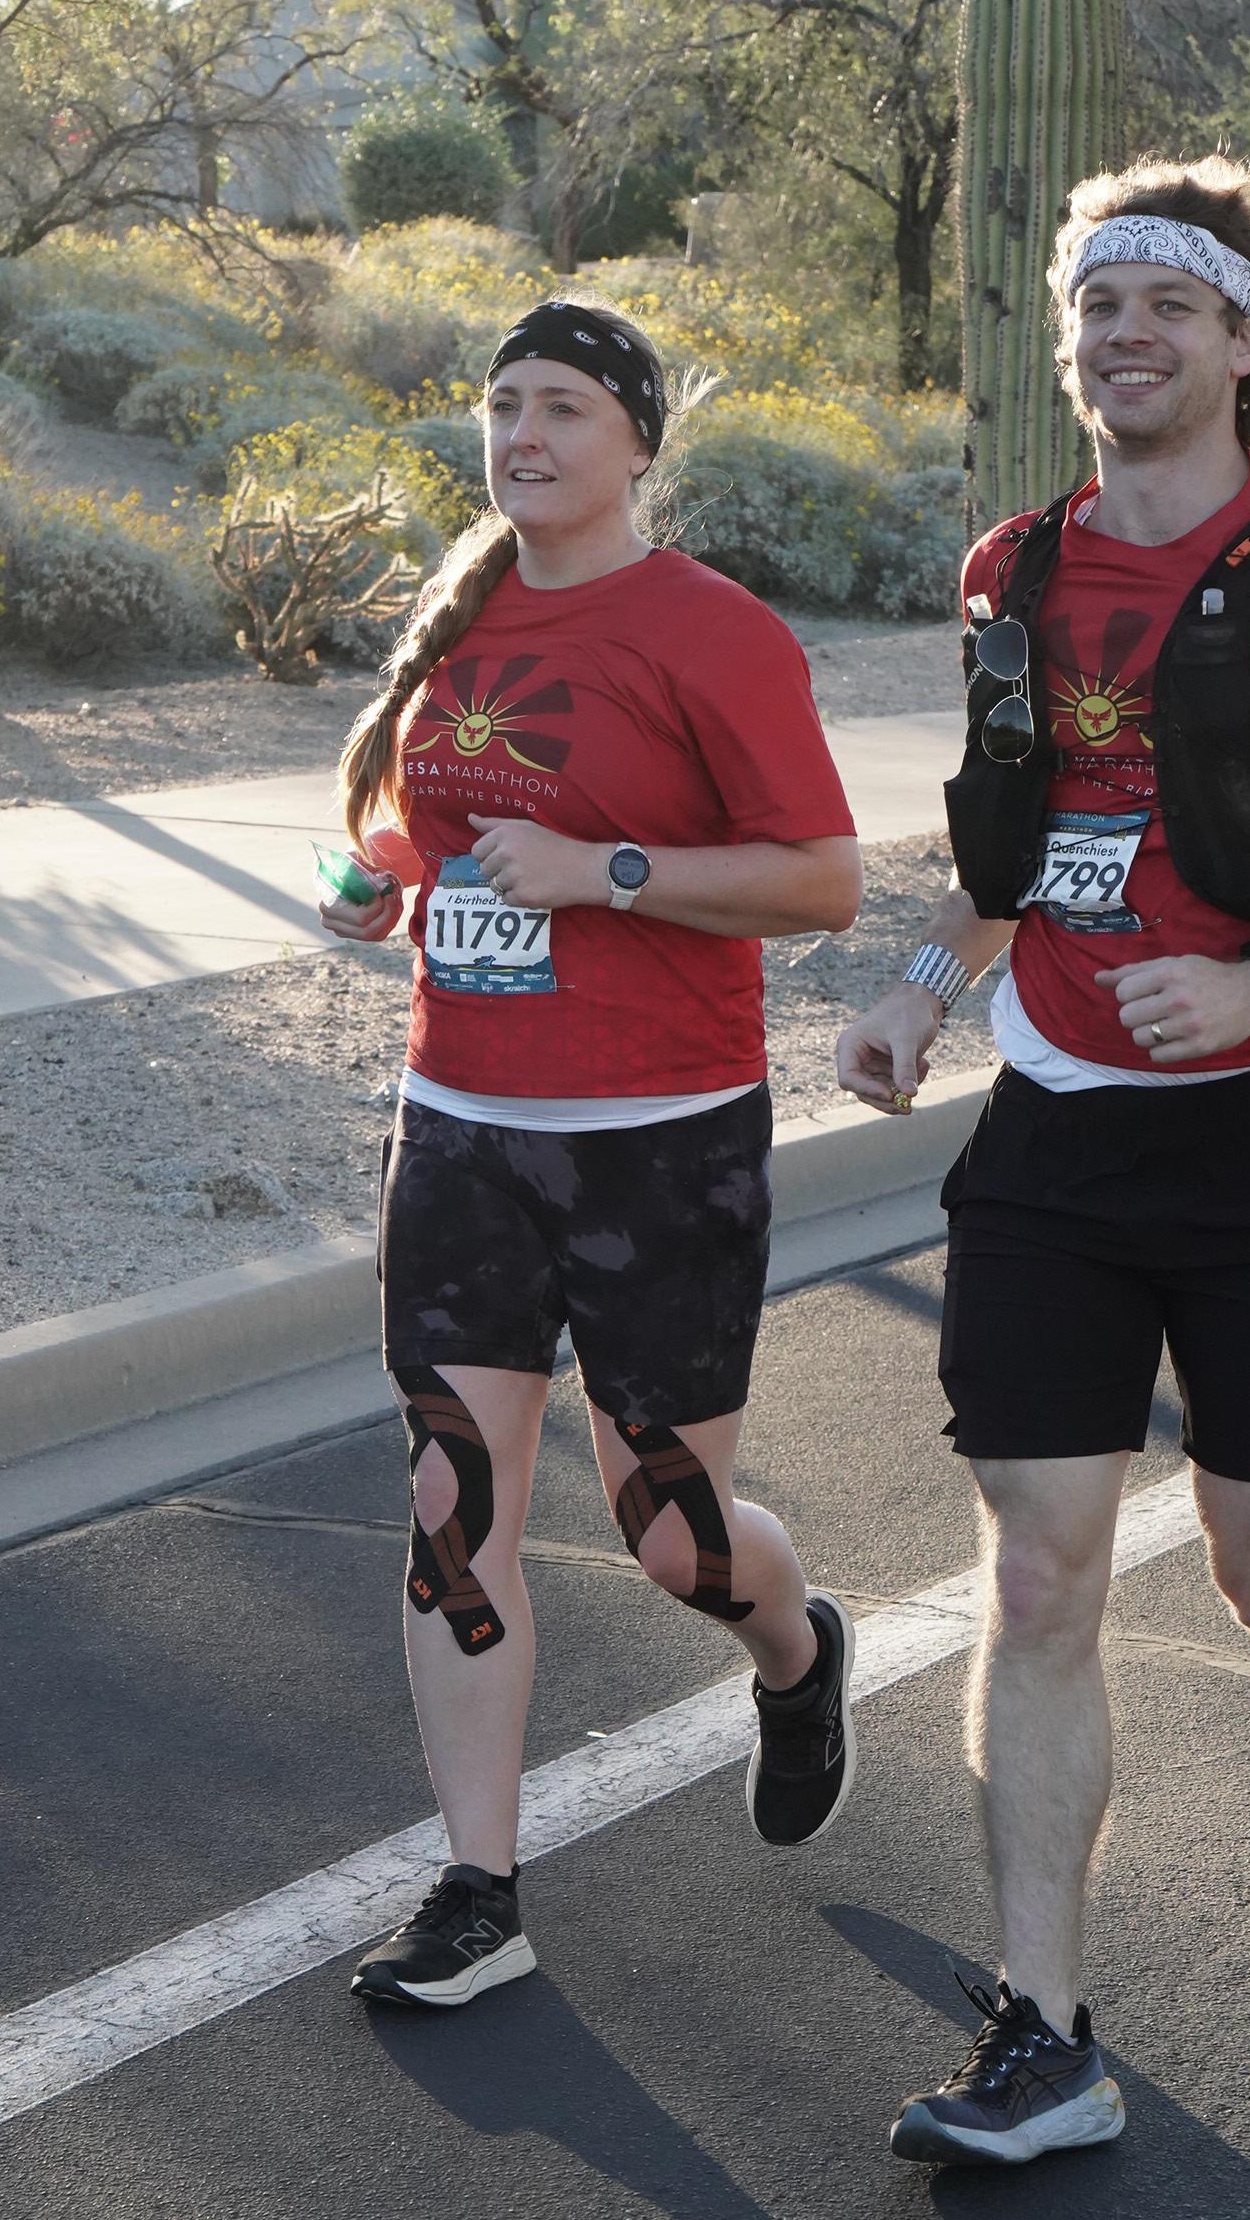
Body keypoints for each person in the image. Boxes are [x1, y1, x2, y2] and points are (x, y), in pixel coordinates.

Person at [838, 156, 1250, 2167]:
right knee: (1039, 1572)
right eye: (1095, 303)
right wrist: (923, 982)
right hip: (1052, 1141)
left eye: (1169, 304)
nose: (1123, 335)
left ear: (1247, 341)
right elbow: (1013, 844)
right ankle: (1044, 2032)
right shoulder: (1012, 568)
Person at [318, 296, 864, 2008]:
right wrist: (380, 879)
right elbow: (435, 822)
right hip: (461, 1132)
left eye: (563, 406)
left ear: (636, 442)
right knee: (450, 1504)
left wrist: (609, 873)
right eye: (503, 405)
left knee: (674, 1539)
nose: (525, 436)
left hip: (659, 1145)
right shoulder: (463, 607)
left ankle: (795, 1650)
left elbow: (823, 881)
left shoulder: (713, 630)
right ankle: (478, 1890)